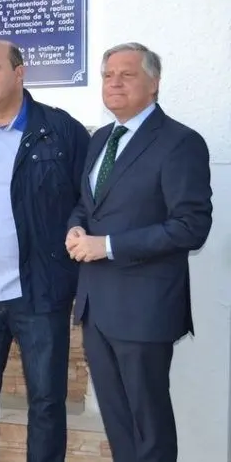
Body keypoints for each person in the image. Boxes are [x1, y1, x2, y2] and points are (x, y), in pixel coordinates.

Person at [66, 42, 212, 462]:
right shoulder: (101, 139)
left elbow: (191, 226)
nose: (114, 83)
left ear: (154, 83)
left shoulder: (179, 142)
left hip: (144, 309)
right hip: (96, 307)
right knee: (118, 422)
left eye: (127, 75)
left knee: (149, 426)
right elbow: (87, 204)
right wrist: (76, 227)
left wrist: (108, 246)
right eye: (108, 75)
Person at [0, 39, 90, 462]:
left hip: (38, 293)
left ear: (19, 72)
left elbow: (88, 201)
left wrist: (77, 236)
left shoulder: (60, 130)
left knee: (46, 401)